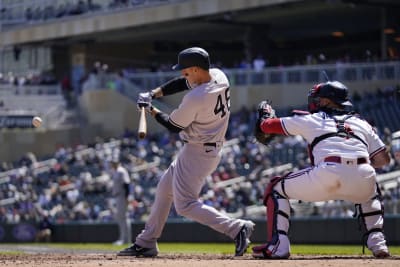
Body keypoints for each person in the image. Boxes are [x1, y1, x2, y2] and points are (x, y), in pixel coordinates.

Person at [117, 47, 255, 257]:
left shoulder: (198, 97)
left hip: (198, 152)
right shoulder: (219, 75)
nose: (183, 73)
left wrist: (150, 109)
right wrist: (153, 94)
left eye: (187, 70)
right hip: (204, 149)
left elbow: (174, 126)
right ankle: (147, 241)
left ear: (197, 69)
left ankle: (236, 228)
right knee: (165, 189)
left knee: (185, 205)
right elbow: (182, 83)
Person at [252, 81, 391, 259]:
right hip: (362, 173)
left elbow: (266, 127)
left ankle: (279, 245)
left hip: (327, 174)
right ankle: (378, 244)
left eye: (318, 99)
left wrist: (265, 116)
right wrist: (354, 166)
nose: (315, 102)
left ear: (326, 102)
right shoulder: (362, 123)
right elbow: (383, 160)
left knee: (275, 188)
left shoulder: (312, 119)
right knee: (371, 190)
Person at [110, 157, 132, 245]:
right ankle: (125, 239)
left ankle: (124, 239)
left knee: (123, 217)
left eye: (114, 162)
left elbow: (126, 184)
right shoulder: (116, 171)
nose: (112, 164)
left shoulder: (121, 171)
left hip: (122, 196)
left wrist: (127, 198)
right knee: (121, 217)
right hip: (118, 196)